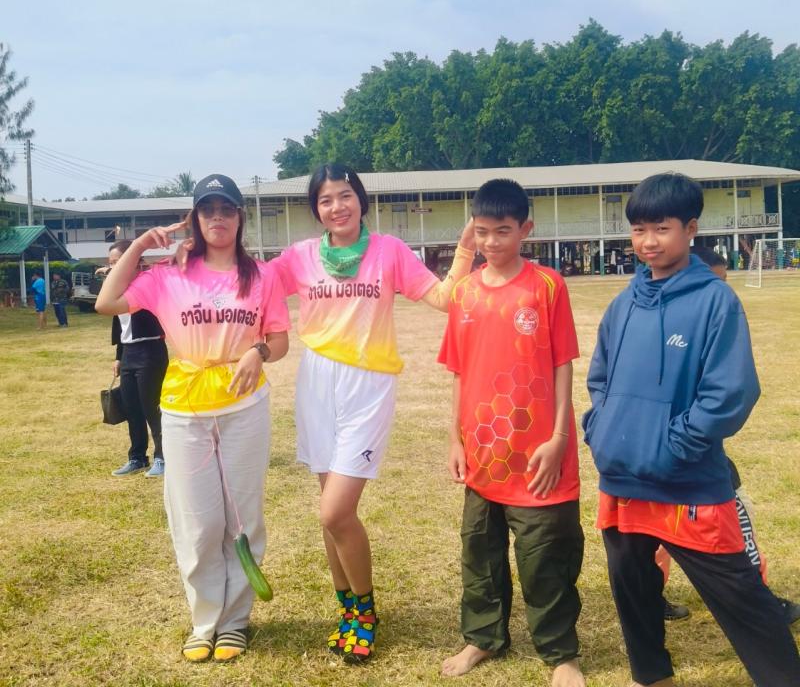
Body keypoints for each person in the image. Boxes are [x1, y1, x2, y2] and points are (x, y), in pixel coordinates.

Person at [583, 173, 800, 687]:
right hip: (623, 480)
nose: (648, 242)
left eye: (662, 228)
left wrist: (672, 445)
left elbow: (730, 393)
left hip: (688, 481)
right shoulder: (623, 304)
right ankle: (650, 676)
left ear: (691, 229)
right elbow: (599, 379)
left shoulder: (715, 302)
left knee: (741, 595)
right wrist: (601, 428)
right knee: (633, 589)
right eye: (639, 229)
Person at [268, 162, 477, 663]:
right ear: (315, 209)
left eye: (345, 195)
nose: (336, 206)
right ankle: (347, 611)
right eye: (325, 199)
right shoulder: (300, 256)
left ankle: (365, 611)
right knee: (330, 511)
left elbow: (443, 298)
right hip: (317, 383)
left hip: (368, 385)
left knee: (334, 511)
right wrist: (193, 259)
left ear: (360, 200)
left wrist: (467, 248)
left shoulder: (389, 251)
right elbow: (248, 283)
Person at [96, 173, 290, 663]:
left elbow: (280, 339)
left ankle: (235, 621)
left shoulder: (261, 275)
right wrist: (140, 245)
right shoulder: (169, 275)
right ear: (195, 219)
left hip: (244, 406)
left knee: (241, 517)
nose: (217, 218)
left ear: (240, 217)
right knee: (198, 520)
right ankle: (205, 621)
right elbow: (106, 302)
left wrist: (259, 351)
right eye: (208, 210)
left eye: (226, 209)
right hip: (185, 408)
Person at [437, 179, 584, 687]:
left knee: (546, 560)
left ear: (526, 229)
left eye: (503, 231)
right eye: (482, 232)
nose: (492, 242)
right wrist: (455, 439)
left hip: (539, 455)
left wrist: (559, 437)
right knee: (479, 553)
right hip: (482, 455)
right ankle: (482, 637)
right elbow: (458, 371)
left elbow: (563, 363)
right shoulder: (464, 292)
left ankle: (561, 653)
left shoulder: (547, 286)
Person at [656, 245, 800, 627]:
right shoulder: (665, 322)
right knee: (725, 518)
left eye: (725, 283)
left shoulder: (709, 322)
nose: (722, 292)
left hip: (680, 449)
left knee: (660, 523)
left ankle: (652, 596)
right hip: (680, 453)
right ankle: (757, 600)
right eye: (713, 282)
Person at [96, 240, 169, 477]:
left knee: (152, 407)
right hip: (129, 352)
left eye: (119, 262)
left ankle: (162, 457)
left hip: (151, 351)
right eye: (111, 264)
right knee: (132, 408)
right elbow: (121, 326)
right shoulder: (116, 292)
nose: (114, 267)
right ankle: (137, 457)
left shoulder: (146, 284)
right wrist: (119, 357)